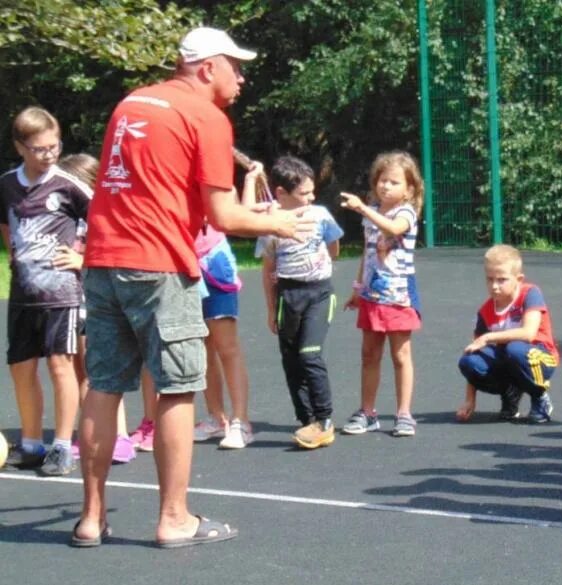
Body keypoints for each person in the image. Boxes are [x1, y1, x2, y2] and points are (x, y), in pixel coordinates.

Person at [73, 27, 314, 548]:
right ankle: (174, 519)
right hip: (159, 264)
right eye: (236, 65)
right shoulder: (207, 116)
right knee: (177, 386)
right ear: (207, 68)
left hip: (102, 260)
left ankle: (91, 519)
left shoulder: (131, 102)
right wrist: (279, 224)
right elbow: (222, 214)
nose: (243, 76)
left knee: (104, 385)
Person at [0, 107, 91, 476]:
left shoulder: (70, 185)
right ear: (20, 147)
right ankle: (32, 443)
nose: (50, 154)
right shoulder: (6, 184)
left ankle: (62, 445)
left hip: (62, 295)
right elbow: (7, 224)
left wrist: (81, 256)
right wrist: (16, 256)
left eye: (55, 146)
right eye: (39, 149)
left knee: (60, 365)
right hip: (23, 294)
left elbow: (105, 222)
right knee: (21, 368)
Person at [253, 156, 343, 449]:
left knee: (309, 354)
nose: (311, 197)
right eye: (303, 193)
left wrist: (317, 264)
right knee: (291, 360)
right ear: (281, 194)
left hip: (318, 293)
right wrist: (270, 309)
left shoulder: (320, 215)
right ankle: (307, 421)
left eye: (311, 191)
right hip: (287, 297)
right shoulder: (271, 224)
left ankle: (325, 419)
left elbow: (335, 249)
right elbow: (268, 270)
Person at [339, 151, 423, 437]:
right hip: (372, 296)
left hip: (399, 296)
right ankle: (368, 412)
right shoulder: (372, 214)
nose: (385, 186)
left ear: (409, 189)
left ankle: (404, 414)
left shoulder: (406, 213)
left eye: (394, 182)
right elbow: (368, 253)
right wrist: (358, 288)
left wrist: (363, 208)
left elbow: (392, 228)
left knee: (401, 355)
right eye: (382, 180)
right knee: (369, 355)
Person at [59, 153, 136, 464]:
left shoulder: (104, 215)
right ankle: (89, 432)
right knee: (80, 369)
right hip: (71, 297)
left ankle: (119, 436)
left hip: (97, 297)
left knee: (99, 369)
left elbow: (116, 249)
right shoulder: (70, 217)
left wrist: (82, 261)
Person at [456, 244, 559, 423]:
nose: (494, 286)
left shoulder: (530, 294)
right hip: (510, 358)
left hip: (540, 356)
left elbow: (528, 333)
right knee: (470, 360)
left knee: (515, 349)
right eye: (489, 279)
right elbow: (475, 347)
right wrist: (469, 400)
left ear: (518, 279)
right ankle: (510, 393)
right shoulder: (485, 312)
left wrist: (488, 337)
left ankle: (539, 397)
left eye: (502, 280)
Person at [191, 222, 254, 450]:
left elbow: (228, 213)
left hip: (213, 261)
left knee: (226, 346)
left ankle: (241, 422)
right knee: (201, 345)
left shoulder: (209, 186)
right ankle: (216, 417)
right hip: (182, 262)